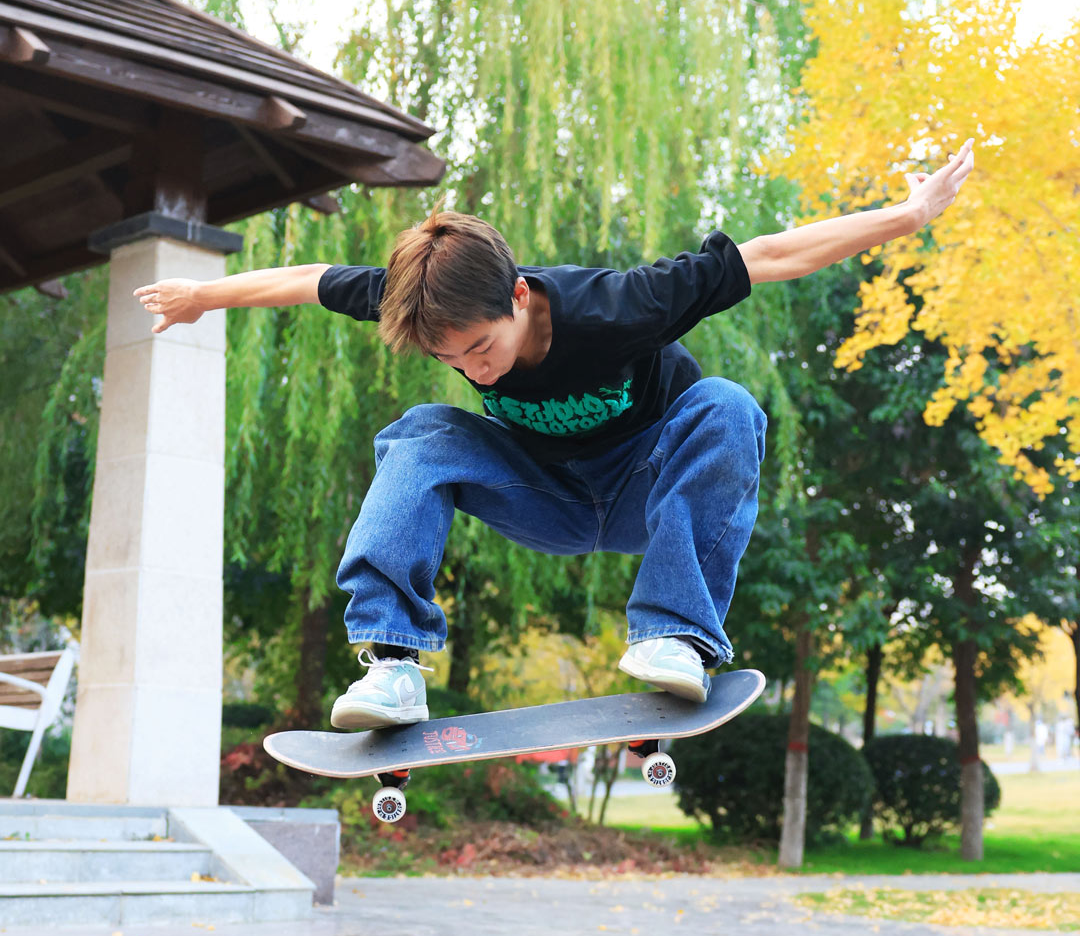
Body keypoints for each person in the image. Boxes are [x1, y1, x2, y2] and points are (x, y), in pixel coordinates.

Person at [135, 138, 975, 730]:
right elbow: (307, 280)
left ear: (520, 296)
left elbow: (771, 255)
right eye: (451, 357)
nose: (477, 368)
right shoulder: (428, 295)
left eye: (483, 347)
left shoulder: (621, 305)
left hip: (651, 488)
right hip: (547, 497)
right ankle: (393, 663)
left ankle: (675, 635)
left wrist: (904, 216)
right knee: (421, 434)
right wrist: (205, 297)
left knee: (725, 404)